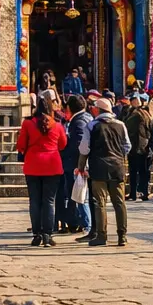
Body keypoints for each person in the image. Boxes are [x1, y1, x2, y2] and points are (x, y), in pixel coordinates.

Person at [78, 97, 132, 247]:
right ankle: (122, 236)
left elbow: (84, 149)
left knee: (99, 203)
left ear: (98, 110)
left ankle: (102, 236)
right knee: (119, 202)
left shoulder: (91, 126)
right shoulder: (121, 125)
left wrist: (81, 166)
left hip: (98, 167)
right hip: (117, 167)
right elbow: (127, 146)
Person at [16, 95, 68, 247]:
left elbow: (21, 144)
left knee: (35, 201)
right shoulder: (57, 125)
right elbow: (63, 144)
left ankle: (37, 234)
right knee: (49, 201)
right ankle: (47, 234)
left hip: (33, 164)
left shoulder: (27, 123)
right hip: (52, 163)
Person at [60, 94, 92, 233]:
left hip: (76, 164)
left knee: (80, 195)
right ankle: (76, 221)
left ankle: (86, 224)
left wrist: (80, 165)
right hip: (78, 163)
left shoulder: (79, 122)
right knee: (77, 194)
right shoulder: (86, 118)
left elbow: (79, 145)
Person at [124, 93, 153, 201]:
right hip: (144, 146)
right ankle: (143, 193)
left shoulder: (135, 114)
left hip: (136, 146)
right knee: (143, 171)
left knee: (134, 171)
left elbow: (126, 127)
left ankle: (134, 193)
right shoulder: (146, 114)